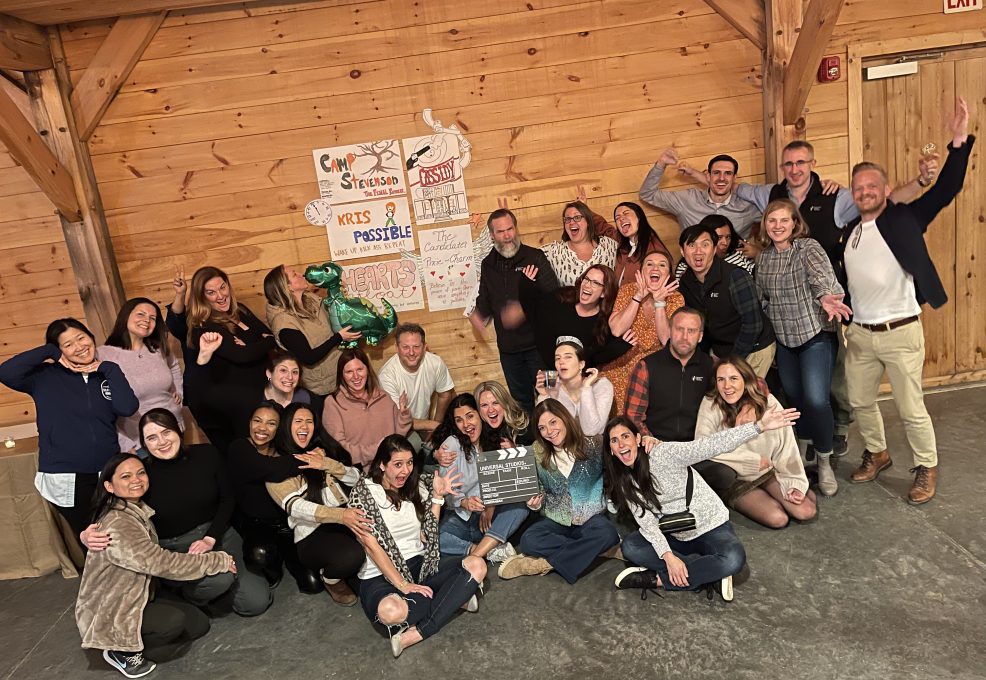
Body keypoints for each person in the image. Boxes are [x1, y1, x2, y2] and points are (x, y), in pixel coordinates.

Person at [732, 141, 936, 456]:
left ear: (812, 163)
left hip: (830, 301)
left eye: (801, 162)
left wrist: (921, 182)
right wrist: (697, 174)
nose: (795, 169)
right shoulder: (771, 196)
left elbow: (887, 201)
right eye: (789, 164)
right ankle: (817, 437)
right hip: (791, 310)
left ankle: (837, 432)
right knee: (813, 385)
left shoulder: (836, 196)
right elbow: (735, 187)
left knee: (836, 377)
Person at [838, 97, 974, 505]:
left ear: (884, 189)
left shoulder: (903, 218)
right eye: (858, 188)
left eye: (872, 187)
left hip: (900, 331)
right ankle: (878, 453)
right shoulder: (849, 231)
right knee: (861, 401)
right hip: (860, 333)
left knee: (911, 407)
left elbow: (947, 188)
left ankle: (926, 466)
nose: (865, 193)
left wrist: (958, 141)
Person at [82, 409, 272, 618]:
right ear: (144, 443)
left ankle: (211, 592)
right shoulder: (142, 473)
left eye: (166, 432)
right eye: (152, 438)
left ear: (178, 430)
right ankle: (190, 594)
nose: (161, 442)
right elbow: (114, 506)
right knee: (222, 579)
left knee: (256, 602)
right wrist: (86, 534)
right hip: (176, 549)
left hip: (218, 535)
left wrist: (210, 538)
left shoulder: (207, 454)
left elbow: (228, 499)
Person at [605, 405, 798, 600]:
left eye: (625, 436)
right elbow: (647, 523)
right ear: (611, 451)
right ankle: (708, 573)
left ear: (638, 439)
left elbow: (711, 445)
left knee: (734, 559)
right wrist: (669, 557)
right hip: (675, 532)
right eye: (614, 440)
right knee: (631, 547)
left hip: (709, 526)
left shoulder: (663, 454)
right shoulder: (624, 482)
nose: (621, 444)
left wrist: (759, 426)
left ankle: (659, 579)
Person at [75, 453, 235, 678]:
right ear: (109, 486)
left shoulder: (133, 508)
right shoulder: (119, 521)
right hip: (113, 609)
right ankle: (119, 650)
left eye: (140, 473)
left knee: (199, 625)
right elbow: (160, 562)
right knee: (172, 623)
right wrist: (215, 560)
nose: (136, 480)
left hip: (141, 593)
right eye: (126, 476)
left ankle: (147, 632)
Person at [0, 318, 138, 541]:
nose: (79, 347)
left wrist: (109, 369)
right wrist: (50, 351)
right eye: (68, 344)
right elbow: (6, 372)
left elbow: (127, 407)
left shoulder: (105, 373)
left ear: (91, 338)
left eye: (81, 338)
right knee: (92, 540)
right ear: (59, 350)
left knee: (120, 535)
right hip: (67, 475)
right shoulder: (44, 377)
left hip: (107, 470)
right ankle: (97, 576)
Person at [348, 434, 484, 658]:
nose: (405, 471)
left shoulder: (417, 486)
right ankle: (454, 597)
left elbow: (426, 538)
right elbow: (371, 545)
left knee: (477, 565)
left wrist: (438, 498)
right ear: (382, 464)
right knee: (391, 611)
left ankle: (419, 631)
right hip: (379, 573)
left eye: (410, 463)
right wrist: (402, 584)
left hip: (420, 565)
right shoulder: (363, 493)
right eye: (397, 464)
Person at [754, 199, 852, 495]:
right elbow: (763, 298)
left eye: (784, 220)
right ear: (766, 226)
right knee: (794, 398)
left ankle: (824, 460)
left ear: (795, 224)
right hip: (785, 340)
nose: (778, 226)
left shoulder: (808, 248)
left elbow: (823, 278)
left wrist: (826, 296)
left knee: (816, 398)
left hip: (815, 335)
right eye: (772, 221)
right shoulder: (764, 259)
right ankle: (808, 446)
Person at [497, 399, 619, 583]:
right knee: (529, 540)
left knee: (607, 533)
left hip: (591, 518)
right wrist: (534, 503)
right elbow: (538, 488)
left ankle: (546, 564)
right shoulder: (537, 452)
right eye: (542, 428)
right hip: (557, 520)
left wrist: (646, 439)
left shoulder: (594, 444)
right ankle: (599, 550)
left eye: (553, 422)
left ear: (564, 418)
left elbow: (620, 449)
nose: (549, 432)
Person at [695, 358, 817, 528]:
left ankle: (801, 486)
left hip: (767, 471)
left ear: (745, 380)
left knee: (806, 511)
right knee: (778, 519)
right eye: (721, 380)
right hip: (736, 479)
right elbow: (702, 447)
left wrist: (795, 482)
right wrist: (749, 461)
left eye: (733, 378)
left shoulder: (768, 402)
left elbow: (787, 447)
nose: (727, 386)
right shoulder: (710, 404)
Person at [266, 403, 368, 606]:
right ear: (287, 426)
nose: (304, 426)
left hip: (346, 516)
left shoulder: (322, 449)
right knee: (352, 556)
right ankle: (331, 579)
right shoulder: (275, 465)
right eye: (298, 421)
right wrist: (341, 516)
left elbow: (358, 479)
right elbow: (297, 508)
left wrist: (327, 464)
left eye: (309, 421)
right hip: (313, 533)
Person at [625, 307, 735, 493]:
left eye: (691, 331)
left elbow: (742, 385)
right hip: (657, 450)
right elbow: (632, 416)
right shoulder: (647, 366)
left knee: (725, 475)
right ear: (669, 330)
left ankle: (685, 488)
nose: (684, 336)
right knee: (643, 474)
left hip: (695, 451)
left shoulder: (710, 367)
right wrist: (648, 439)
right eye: (679, 329)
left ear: (700, 336)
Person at [469, 207, 559, 414]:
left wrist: (524, 307)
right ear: (492, 235)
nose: (507, 235)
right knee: (521, 403)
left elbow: (555, 297)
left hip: (542, 348)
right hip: (509, 352)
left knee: (551, 397)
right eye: (501, 232)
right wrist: (477, 316)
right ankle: (531, 446)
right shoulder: (487, 264)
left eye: (510, 229)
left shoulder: (535, 257)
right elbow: (485, 301)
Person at [227, 402, 323, 594]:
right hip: (257, 524)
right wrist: (308, 459)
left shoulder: (283, 449)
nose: (262, 428)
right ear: (249, 423)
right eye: (257, 421)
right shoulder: (239, 448)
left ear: (280, 428)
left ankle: (286, 554)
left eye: (271, 423)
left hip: (288, 523)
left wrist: (318, 454)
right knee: (259, 556)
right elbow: (268, 469)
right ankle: (274, 568)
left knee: (313, 585)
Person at [183, 266, 276, 454]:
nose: (220, 295)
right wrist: (259, 343)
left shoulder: (240, 310)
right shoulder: (205, 327)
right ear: (202, 297)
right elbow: (243, 356)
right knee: (244, 457)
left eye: (222, 287)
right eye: (211, 292)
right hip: (227, 409)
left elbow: (271, 336)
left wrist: (259, 342)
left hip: (254, 398)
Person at [432, 394, 528, 563]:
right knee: (434, 540)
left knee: (520, 507)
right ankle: (483, 550)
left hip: (491, 515)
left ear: (479, 415)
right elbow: (446, 489)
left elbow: (511, 482)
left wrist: (490, 506)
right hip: (463, 517)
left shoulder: (495, 439)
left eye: (470, 416)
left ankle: (477, 553)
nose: (466, 424)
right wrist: (464, 502)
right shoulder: (452, 444)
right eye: (459, 420)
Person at [677, 223, 776, 376]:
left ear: (715, 249)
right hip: (721, 350)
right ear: (682, 251)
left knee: (743, 395)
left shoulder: (735, 276)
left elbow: (753, 325)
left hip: (754, 347)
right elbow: (699, 324)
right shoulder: (686, 282)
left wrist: (731, 361)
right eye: (691, 245)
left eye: (705, 244)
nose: (698, 251)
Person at [99, 298, 183, 455]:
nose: (147, 320)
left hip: (173, 430)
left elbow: (174, 366)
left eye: (152, 318)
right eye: (141, 314)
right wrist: (124, 444)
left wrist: (178, 392)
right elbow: (101, 407)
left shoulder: (158, 348)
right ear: (126, 316)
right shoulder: (104, 355)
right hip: (140, 442)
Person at [604, 250, 684, 413]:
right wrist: (638, 296)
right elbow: (617, 329)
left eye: (662, 265)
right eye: (650, 264)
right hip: (622, 364)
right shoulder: (627, 290)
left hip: (655, 367)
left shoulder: (676, 298)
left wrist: (660, 303)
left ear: (668, 274)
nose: (655, 268)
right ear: (641, 272)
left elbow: (667, 340)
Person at [263, 264, 361, 396]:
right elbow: (308, 357)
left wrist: (337, 291)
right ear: (288, 287)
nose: (300, 274)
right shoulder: (284, 324)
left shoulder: (310, 299)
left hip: (341, 373)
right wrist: (339, 337)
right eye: (294, 274)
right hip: (323, 388)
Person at [517, 263, 633, 369]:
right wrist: (526, 285)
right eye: (586, 279)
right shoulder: (561, 300)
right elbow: (535, 308)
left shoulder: (602, 322)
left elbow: (596, 357)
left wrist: (620, 348)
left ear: (604, 293)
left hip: (577, 384)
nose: (587, 285)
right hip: (550, 377)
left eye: (595, 283)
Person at [322, 347, 413, 468]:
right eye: (349, 372)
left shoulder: (383, 397)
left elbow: (398, 437)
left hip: (390, 467)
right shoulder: (333, 403)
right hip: (358, 471)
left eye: (359, 369)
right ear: (342, 375)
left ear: (367, 370)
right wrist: (376, 450)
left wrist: (404, 415)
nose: (356, 376)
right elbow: (339, 449)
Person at [639, 150, 762, 238]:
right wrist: (661, 163)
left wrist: (758, 252)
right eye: (716, 173)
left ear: (734, 178)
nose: (721, 178)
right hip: (694, 269)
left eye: (728, 173)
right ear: (708, 176)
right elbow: (648, 194)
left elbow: (777, 211)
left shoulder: (748, 206)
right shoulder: (688, 200)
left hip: (734, 270)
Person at [378, 322, 455, 446]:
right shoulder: (387, 375)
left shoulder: (435, 363)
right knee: (414, 445)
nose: (411, 352)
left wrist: (436, 427)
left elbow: (445, 394)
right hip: (397, 429)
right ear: (397, 348)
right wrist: (434, 425)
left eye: (416, 346)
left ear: (424, 347)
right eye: (406, 347)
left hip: (424, 424)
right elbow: (398, 419)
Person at [535, 338, 613, 436]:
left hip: (596, 446)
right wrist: (543, 395)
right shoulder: (552, 382)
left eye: (568, 357)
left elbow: (591, 430)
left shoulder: (601, 385)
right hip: (564, 445)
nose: (561, 362)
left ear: (581, 364)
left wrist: (586, 388)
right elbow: (546, 429)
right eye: (557, 358)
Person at [542, 200, 619, 286]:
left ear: (588, 222)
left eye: (577, 217)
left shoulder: (609, 245)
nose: (571, 222)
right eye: (567, 219)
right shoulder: (555, 251)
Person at [673, 214, 754, 279]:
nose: (725, 242)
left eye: (728, 237)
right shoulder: (690, 265)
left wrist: (758, 254)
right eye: (719, 238)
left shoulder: (740, 248)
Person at [612, 201, 671, 284]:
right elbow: (604, 228)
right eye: (617, 218)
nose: (621, 218)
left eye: (626, 213)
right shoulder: (624, 242)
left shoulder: (654, 249)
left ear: (639, 217)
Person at [473, 380, 534, 447]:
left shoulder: (525, 427)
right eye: (484, 405)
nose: (491, 410)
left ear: (505, 403)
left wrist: (517, 449)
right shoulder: (478, 432)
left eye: (495, 403)